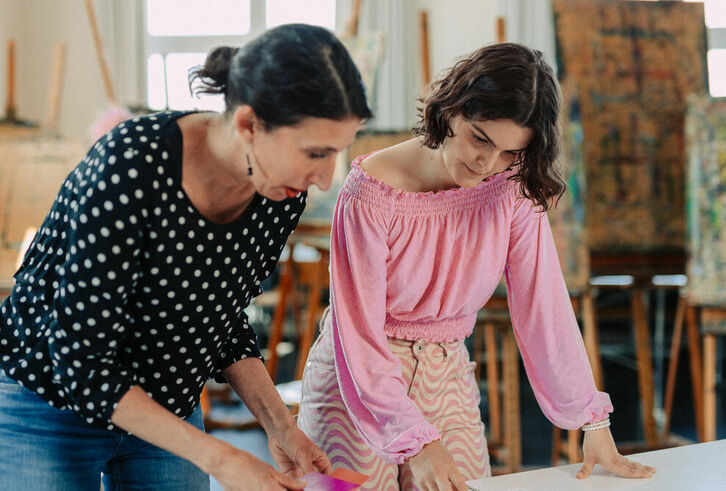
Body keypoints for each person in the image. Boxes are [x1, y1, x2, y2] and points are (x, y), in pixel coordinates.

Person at [0, 24, 371, 490]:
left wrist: (282, 427)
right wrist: (221, 458)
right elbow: (81, 363)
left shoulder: (280, 191)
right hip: (49, 398)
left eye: (336, 153)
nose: (323, 178)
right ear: (248, 124)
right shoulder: (131, 164)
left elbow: (222, 317)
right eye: (315, 152)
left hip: (164, 404)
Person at [297, 43, 657, 490]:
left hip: (446, 373)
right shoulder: (370, 193)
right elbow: (359, 334)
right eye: (480, 138)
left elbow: (543, 306)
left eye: (511, 153)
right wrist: (415, 441)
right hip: (355, 383)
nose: (487, 163)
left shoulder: (510, 188)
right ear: (451, 111)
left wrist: (592, 421)